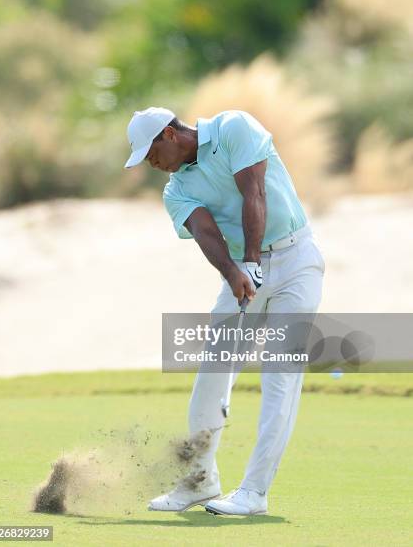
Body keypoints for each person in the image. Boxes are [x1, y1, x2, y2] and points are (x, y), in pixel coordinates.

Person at [124, 107, 325, 515]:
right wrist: (235, 272)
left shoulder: (235, 127)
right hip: (240, 273)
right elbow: (204, 231)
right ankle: (200, 481)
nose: (151, 164)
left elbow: (254, 190)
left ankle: (254, 493)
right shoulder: (175, 189)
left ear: (169, 133)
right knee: (212, 374)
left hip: (296, 261)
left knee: (279, 378)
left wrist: (250, 262)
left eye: (151, 153)